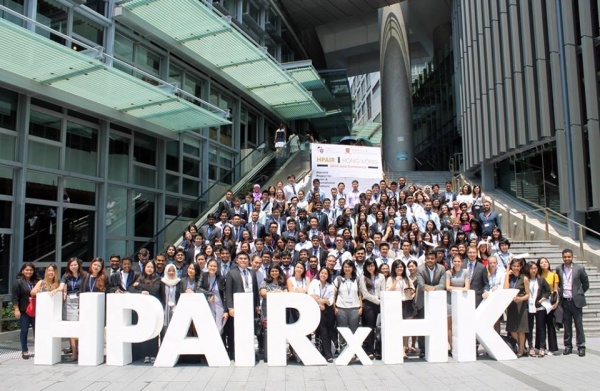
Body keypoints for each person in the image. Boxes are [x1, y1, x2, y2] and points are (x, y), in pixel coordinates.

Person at [225, 251, 260, 360]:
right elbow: (228, 291)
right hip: (237, 306)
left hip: (249, 306)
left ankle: (248, 352)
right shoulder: (231, 273)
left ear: (249, 260)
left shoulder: (252, 272)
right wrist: (230, 307)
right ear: (237, 260)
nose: (243, 260)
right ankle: (235, 352)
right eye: (241, 258)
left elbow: (255, 290)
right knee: (236, 330)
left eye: (245, 258)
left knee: (249, 330)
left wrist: (257, 305)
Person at [556, 248, 589, 357]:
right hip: (565, 301)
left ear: (572, 257)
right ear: (562, 257)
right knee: (567, 325)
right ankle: (568, 346)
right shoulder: (559, 269)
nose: (567, 259)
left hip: (576, 301)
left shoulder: (579, 268)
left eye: (569, 257)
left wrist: (578, 293)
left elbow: (586, 284)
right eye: (565, 257)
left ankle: (581, 346)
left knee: (579, 325)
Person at [416, 251, 446, 358]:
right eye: (428, 258)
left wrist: (434, 289)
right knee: (422, 325)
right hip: (422, 301)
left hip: (437, 301)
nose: (430, 260)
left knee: (437, 324)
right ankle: (423, 349)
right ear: (425, 259)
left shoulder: (441, 268)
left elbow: (442, 284)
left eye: (432, 258)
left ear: (436, 259)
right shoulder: (420, 269)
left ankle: (437, 346)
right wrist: (429, 288)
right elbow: (420, 284)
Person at [129, 261, 161, 363]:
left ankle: (153, 354)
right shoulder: (139, 277)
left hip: (153, 309)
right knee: (145, 330)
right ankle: (145, 354)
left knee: (153, 331)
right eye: (148, 267)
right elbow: (130, 288)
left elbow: (154, 290)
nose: (149, 269)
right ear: (144, 268)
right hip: (141, 309)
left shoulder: (157, 279)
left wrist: (140, 285)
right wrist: (141, 291)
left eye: (152, 267)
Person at [386, 260, 416, 358]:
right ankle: (396, 348)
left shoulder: (407, 279)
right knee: (396, 327)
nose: (400, 269)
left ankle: (404, 349)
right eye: (398, 267)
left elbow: (413, 291)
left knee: (406, 328)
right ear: (394, 268)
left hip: (407, 303)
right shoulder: (390, 278)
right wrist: (396, 282)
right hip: (395, 304)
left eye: (402, 267)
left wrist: (411, 292)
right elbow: (387, 290)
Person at [58, 257, 86, 361]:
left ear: (79, 265)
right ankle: (74, 353)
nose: (73, 267)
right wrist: (57, 290)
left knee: (81, 326)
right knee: (71, 327)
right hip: (69, 302)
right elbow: (61, 287)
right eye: (71, 265)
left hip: (81, 301)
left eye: (75, 265)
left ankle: (81, 351)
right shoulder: (66, 276)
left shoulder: (84, 275)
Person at [333, 260, 363, 351]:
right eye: (345, 267)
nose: (347, 269)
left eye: (349, 267)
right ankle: (343, 349)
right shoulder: (338, 279)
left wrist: (361, 307)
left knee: (353, 330)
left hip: (354, 308)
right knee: (342, 330)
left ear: (353, 268)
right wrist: (334, 307)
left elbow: (360, 294)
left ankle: (352, 350)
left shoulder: (357, 279)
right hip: (341, 308)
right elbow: (334, 294)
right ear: (342, 268)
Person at [12, 262, 40, 360]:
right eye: (27, 270)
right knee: (24, 331)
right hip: (24, 311)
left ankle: (40, 350)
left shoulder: (37, 281)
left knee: (38, 331)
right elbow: (15, 297)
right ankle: (24, 350)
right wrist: (16, 309)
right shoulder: (18, 282)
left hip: (36, 310)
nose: (29, 272)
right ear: (23, 271)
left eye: (31, 270)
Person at [259, 265, 287, 362]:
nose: (274, 272)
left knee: (278, 331)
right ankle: (267, 353)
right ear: (269, 272)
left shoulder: (283, 283)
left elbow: (286, 293)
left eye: (276, 271)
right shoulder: (265, 282)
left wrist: (274, 293)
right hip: (267, 310)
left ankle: (277, 352)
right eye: (272, 271)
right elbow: (263, 293)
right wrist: (276, 292)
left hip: (279, 310)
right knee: (267, 332)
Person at [504, 258, 530, 357]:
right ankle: (522, 348)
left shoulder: (524, 278)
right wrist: (507, 275)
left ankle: (520, 350)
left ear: (521, 267)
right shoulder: (509, 277)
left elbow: (528, 294)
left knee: (521, 329)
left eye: (518, 266)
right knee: (512, 329)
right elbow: (505, 289)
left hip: (520, 305)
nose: (516, 268)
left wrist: (521, 298)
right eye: (514, 266)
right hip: (511, 305)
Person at [524, 261, 551, 358]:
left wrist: (541, 300)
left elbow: (548, 291)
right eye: (531, 268)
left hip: (539, 307)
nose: (533, 270)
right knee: (529, 327)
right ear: (528, 269)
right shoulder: (526, 279)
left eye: (535, 268)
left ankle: (542, 347)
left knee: (541, 327)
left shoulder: (541, 279)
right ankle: (530, 347)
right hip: (528, 306)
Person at [309, 268, 336, 362]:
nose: (323, 275)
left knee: (327, 331)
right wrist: (321, 302)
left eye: (325, 274)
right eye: (322, 273)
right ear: (319, 273)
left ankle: (325, 352)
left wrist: (322, 301)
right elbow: (310, 294)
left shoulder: (330, 286)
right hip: (316, 309)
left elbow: (331, 300)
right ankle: (327, 354)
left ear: (328, 276)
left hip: (327, 311)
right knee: (322, 331)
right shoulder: (314, 282)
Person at [360, 259, 385, 359]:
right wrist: (378, 301)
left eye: (372, 265)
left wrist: (381, 301)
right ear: (365, 267)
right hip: (369, 305)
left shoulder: (381, 276)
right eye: (368, 266)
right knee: (370, 328)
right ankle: (369, 350)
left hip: (380, 304)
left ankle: (378, 351)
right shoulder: (363, 277)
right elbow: (365, 294)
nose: (371, 267)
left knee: (379, 328)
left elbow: (383, 290)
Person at [446, 255, 470, 354]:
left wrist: (455, 289)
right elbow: (447, 287)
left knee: (460, 323)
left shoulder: (466, 272)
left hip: (461, 301)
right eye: (455, 261)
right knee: (450, 325)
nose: (456, 263)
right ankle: (451, 346)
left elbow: (467, 287)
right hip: (450, 300)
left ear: (461, 262)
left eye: (458, 261)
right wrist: (461, 289)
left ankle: (461, 345)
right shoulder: (448, 272)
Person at [537, 257, 560, 355]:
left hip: (550, 302)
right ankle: (540, 346)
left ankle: (552, 348)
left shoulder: (554, 275)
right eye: (541, 263)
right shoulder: (538, 275)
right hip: (540, 302)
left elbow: (556, 290)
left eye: (545, 262)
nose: (544, 264)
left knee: (550, 325)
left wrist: (557, 302)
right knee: (540, 325)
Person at [199, 259, 228, 334]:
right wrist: (210, 294)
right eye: (211, 266)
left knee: (219, 328)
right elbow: (197, 288)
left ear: (217, 268)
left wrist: (225, 310)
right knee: (209, 326)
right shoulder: (203, 275)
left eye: (214, 266)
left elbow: (225, 294)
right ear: (207, 266)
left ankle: (218, 344)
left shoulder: (221, 278)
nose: (212, 268)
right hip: (207, 305)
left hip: (219, 306)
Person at [482, 255, 505, 333]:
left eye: (494, 263)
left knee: (496, 320)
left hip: (497, 299)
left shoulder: (501, 272)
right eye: (491, 263)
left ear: (497, 263)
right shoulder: (484, 272)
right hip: (486, 298)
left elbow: (503, 284)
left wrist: (498, 287)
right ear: (488, 263)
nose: (492, 264)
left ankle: (497, 336)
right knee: (488, 320)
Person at [159, 264, 182, 338]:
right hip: (164, 309)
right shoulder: (162, 282)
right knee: (164, 330)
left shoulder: (179, 282)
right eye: (169, 271)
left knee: (176, 329)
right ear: (166, 271)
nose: (171, 272)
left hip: (176, 309)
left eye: (173, 271)